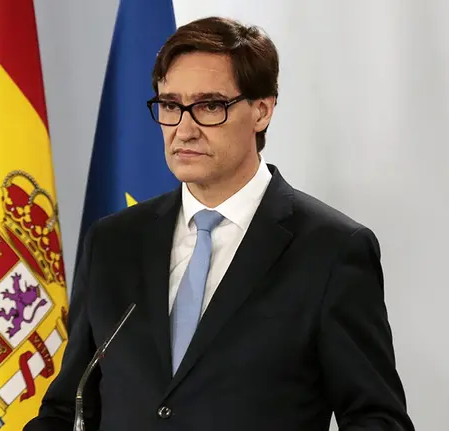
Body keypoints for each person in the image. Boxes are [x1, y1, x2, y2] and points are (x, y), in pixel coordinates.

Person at [24, 16, 414, 431]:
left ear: (261, 111)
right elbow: (68, 409)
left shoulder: (331, 250)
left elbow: (377, 419)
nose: (183, 130)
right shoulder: (112, 242)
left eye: (209, 106)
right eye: (171, 106)